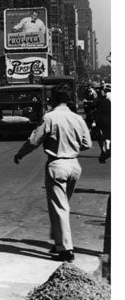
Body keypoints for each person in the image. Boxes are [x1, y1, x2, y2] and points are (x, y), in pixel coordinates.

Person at [13, 86, 92, 262]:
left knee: (59, 208)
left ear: (53, 100)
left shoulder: (49, 117)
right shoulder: (77, 118)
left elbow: (33, 141)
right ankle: (58, 243)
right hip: (74, 165)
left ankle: (66, 250)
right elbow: (87, 144)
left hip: (57, 165)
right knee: (63, 206)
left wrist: (20, 154)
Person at [94, 87, 111, 163]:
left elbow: (95, 111)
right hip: (109, 120)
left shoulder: (98, 101)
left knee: (100, 136)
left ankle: (103, 149)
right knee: (108, 135)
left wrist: (94, 121)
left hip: (100, 120)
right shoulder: (109, 101)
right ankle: (108, 148)